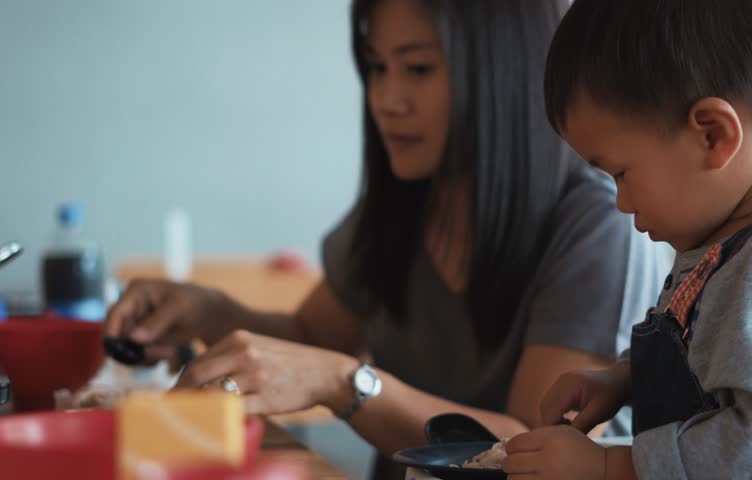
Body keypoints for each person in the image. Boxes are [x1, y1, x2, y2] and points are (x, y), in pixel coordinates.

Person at [105, 0, 665, 478]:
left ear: (504, 72)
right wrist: (205, 311)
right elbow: (308, 334)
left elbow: (529, 439)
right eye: (375, 67)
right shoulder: (407, 198)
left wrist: (346, 383)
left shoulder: (598, 219)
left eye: (418, 69)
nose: (387, 98)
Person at [503, 0, 752, 479]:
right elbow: (711, 354)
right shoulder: (732, 243)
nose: (621, 202)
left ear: (712, 135)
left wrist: (609, 465)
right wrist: (620, 380)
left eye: (621, 173)